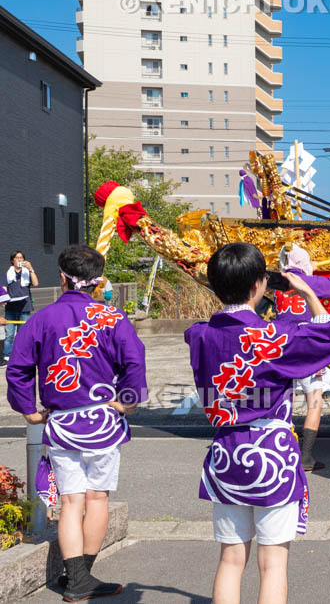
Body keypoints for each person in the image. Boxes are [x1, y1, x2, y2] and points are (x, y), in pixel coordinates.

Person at [186, 242, 330, 604]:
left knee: (230, 559)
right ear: (259, 284)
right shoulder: (275, 336)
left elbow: (216, 330)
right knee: (273, 564)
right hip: (271, 455)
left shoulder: (199, 334)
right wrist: (307, 291)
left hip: (225, 453)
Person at [5, 244, 146, 601]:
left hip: (61, 421)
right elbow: (135, 361)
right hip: (104, 420)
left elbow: (18, 368)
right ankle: (81, 577)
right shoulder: (113, 317)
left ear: (63, 277)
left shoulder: (42, 318)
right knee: (97, 498)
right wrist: (128, 402)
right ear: (98, 280)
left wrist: (29, 411)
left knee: (70, 502)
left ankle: (78, 578)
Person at [275, 244, 330, 471]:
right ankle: (305, 457)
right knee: (314, 402)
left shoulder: (277, 282)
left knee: (285, 401)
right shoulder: (309, 281)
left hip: (282, 348)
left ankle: (281, 450)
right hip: (308, 348)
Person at [4, 251, 39, 363]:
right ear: (12, 260)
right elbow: (4, 288)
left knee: (23, 334)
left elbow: (36, 283)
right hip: (11, 307)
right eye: (17, 257)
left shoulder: (27, 272)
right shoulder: (8, 273)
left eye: (21, 258)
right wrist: (3, 298)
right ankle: (7, 356)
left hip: (25, 307)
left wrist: (31, 269)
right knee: (9, 334)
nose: (19, 259)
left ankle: (20, 354)